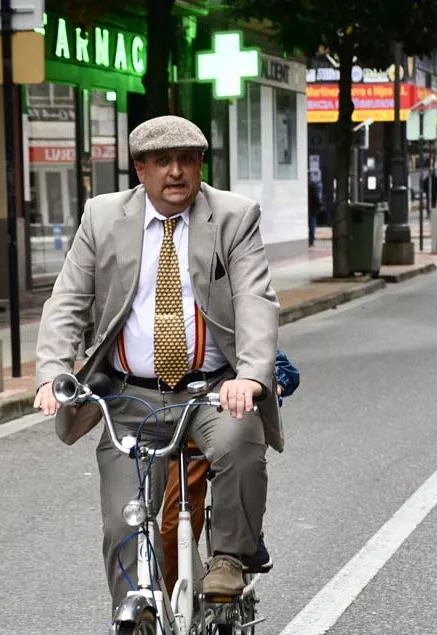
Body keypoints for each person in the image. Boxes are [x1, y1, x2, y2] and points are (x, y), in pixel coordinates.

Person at [34, 115, 282, 610]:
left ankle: (230, 557)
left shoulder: (233, 216)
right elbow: (67, 301)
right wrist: (53, 373)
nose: (176, 172)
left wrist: (251, 376)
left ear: (200, 166)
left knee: (238, 442)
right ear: (139, 168)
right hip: (131, 395)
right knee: (124, 522)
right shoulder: (102, 218)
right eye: (163, 161)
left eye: (187, 160)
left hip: (211, 389)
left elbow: (256, 298)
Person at [158, 351, 299, 595]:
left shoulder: (231, 329)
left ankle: (245, 538)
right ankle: (171, 606)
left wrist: (265, 389)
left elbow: (283, 370)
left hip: (226, 424)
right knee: (174, 522)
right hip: (179, 436)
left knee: (239, 471)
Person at [307, 180, 322, 247]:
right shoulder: (313, 185)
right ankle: (311, 241)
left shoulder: (307, 185)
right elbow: (316, 197)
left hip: (307, 209)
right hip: (312, 210)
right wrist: (320, 204)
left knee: (310, 225)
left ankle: (310, 240)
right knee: (312, 226)